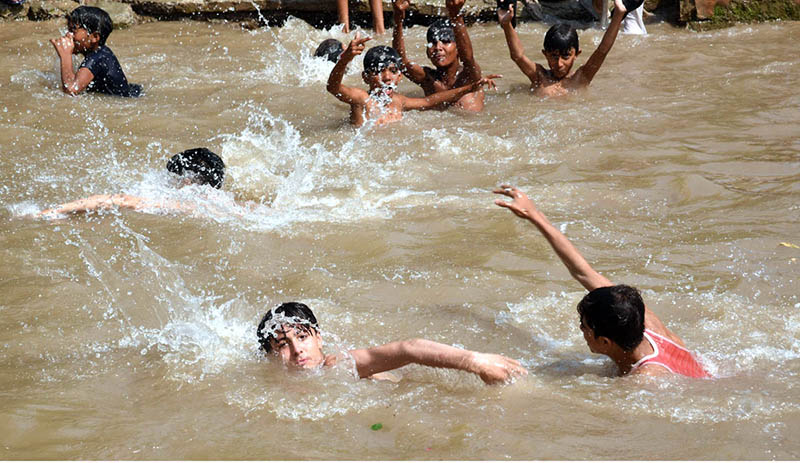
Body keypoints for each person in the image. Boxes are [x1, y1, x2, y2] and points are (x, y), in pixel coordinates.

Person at [493, 185, 710, 378]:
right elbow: (583, 272)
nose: (580, 328)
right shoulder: (643, 323)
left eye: (584, 326)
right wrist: (534, 215)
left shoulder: (647, 378)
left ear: (605, 342)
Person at [257, 302, 528, 384]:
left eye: (302, 337)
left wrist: (475, 361)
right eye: (282, 344)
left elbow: (407, 349)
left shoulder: (336, 365)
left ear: (319, 338)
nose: (296, 350)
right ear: (270, 355)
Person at [326, 33, 499, 127]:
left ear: (400, 76)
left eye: (393, 71)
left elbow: (429, 101)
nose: (387, 77)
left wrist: (470, 88)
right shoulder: (361, 99)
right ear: (366, 77)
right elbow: (332, 87)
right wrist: (345, 58)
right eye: (379, 72)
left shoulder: (398, 101)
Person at [497, 0, 637, 97]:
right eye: (553, 56)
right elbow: (518, 56)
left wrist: (618, 15)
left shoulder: (582, 77)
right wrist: (507, 25)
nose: (559, 64)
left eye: (565, 57)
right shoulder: (539, 76)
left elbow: (602, 50)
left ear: (577, 54)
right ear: (545, 54)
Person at [36, 148, 225, 217]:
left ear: (187, 179)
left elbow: (123, 200)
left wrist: (51, 212)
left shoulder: (181, 203)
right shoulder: (224, 203)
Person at [392, 0, 485, 111]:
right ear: (427, 52)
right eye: (433, 43)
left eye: (446, 42)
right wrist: (398, 20)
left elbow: (468, 58)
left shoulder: (469, 76)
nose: (438, 47)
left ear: (459, 49)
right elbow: (400, 62)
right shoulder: (428, 80)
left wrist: (455, 15)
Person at [50, 6, 142, 97]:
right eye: (69, 29)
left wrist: (65, 56)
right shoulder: (98, 53)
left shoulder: (98, 57)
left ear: (94, 37)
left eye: (74, 30)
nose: (68, 35)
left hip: (126, 101)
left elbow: (71, 90)